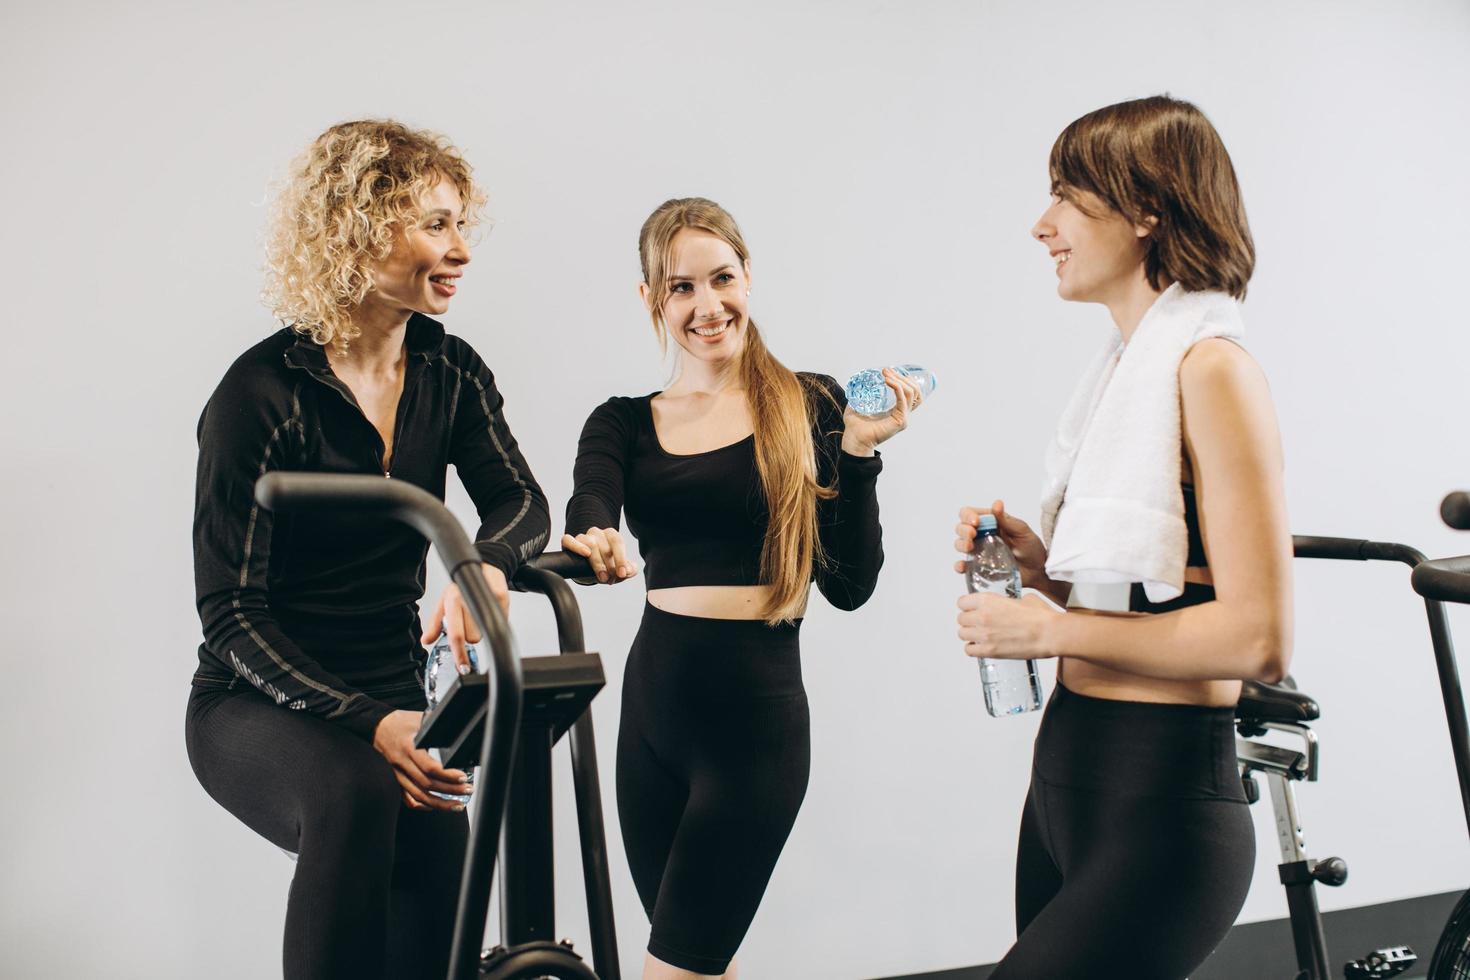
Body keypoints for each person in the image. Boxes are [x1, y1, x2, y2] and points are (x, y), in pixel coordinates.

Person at [186, 120, 550, 980]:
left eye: (462, 223)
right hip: (258, 701)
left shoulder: (449, 371)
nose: (460, 249)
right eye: (435, 224)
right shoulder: (261, 394)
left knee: (433, 843)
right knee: (353, 797)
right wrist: (365, 722)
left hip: (393, 685)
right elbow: (228, 614)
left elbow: (521, 502)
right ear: (358, 233)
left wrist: (483, 563)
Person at [953, 96, 1292, 978]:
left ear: (1146, 210)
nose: (1043, 224)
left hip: (1163, 799)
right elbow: (1162, 592)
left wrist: (1054, 630)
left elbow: (1258, 638)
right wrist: (1049, 576)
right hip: (1069, 771)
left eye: (1067, 195)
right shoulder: (1123, 374)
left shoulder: (1213, 370)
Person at [564, 197, 922, 979]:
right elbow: (593, 494)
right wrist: (594, 532)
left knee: (676, 969)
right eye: (680, 287)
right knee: (696, 965)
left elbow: (851, 586)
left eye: (721, 278)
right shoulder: (623, 420)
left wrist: (859, 456)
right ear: (651, 299)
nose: (706, 305)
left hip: (752, 733)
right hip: (651, 719)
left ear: (748, 278)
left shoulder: (812, 404)